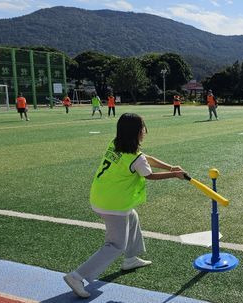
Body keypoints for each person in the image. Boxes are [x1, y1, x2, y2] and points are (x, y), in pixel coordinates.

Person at [63, 113, 186, 298]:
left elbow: (146, 158)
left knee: (133, 217)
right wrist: (174, 175)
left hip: (102, 196)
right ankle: (77, 276)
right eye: (143, 128)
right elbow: (148, 175)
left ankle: (130, 259)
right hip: (113, 204)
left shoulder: (115, 144)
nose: (144, 131)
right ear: (137, 132)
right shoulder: (135, 158)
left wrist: (170, 167)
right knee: (115, 245)